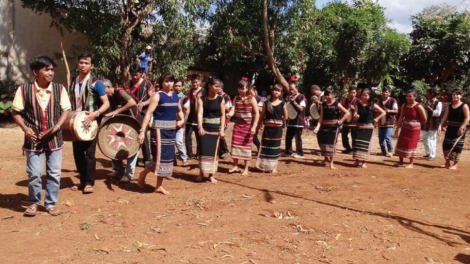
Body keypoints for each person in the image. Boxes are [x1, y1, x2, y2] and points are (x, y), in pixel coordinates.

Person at [11, 55, 71, 216]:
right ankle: (33, 202)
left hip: (54, 139)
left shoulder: (60, 89)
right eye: (47, 69)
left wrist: (57, 126)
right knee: (34, 173)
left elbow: (66, 110)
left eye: (52, 69)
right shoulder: (23, 90)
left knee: (54, 172)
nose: (51, 73)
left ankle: (50, 204)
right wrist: (25, 128)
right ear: (35, 72)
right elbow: (15, 112)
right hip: (33, 139)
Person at [69, 52, 110, 193]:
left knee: (89, 153)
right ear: (78, 64)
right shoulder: (73, 81)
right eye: (81, 62)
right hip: (76, 123)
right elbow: (70, 100)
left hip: (91, 123)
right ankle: (82, 180)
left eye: (86, 63)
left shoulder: (96, 83)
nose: (83, 65)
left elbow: (106, 104)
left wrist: (95, 114)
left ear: (92, 66)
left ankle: (89, 182)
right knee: (78, 153)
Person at [137, 72, 184, 194]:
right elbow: (148, 114)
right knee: (158, 158)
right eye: (166, 81)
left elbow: (179, 111)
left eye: (171, 81)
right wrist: (142, 132)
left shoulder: (175, 96)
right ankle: (143, 174)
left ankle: (158, 186)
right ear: (162, 83)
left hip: (171, 132)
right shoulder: (157, 96)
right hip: (158, 132)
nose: (169, 84)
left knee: (167, 159)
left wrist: (182, 120)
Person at [102, 79, 139, 182]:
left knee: (133, 148)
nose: (103, 94)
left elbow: (132, 103)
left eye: (103, 91)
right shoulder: (109, 97)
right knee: (113, 146)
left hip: (133, 122)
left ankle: (128, 174)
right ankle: (118, 170)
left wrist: (117, 111)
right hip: (121, 124)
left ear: (108, 87)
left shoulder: (120, 91)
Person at [122, 63, 154, 165]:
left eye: (137, 74)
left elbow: (153, 98)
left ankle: (147, 159)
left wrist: (143, 103)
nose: (135, 77)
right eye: (133, 74)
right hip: (130, 114)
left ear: (141, 73)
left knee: (142, 134)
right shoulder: (126, 85)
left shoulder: (146, 84)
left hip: (143, 114)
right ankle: (133, 159)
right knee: (130, 136)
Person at [227, 79, 260, 176]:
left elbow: (257, 113)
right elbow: (233, 109)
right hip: (237, 126)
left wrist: (254, 126)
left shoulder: (252, 98)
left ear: (247, 88)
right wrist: (230, 114)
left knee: (246, 147)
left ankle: (246, 169)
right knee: (235, 146)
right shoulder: (236, 98)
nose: (241, 90)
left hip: (248, 127)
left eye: (243, 88)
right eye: (239, 88)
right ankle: (235, 166)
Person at [196, 76, 225, 183]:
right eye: (215, 86)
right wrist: (200, 126)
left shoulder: (221, 99)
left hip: (215, 129)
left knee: (214, 152)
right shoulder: (202, 98)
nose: (218, 88)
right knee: (203, 150)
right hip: (205, 128)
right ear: (209, 86)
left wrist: (221, 129)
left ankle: (211, 175)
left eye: (219, 86)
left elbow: (222, 115)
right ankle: (201, 173)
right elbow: (200, 113)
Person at [314, 88, 350, 169]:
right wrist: (317, 127)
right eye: (326, 95)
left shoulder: (337, 104)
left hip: (334, 128)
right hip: (324, 127)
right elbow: (321, 117)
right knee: (324, 144)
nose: (327, 97)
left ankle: (331, 163)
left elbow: (347, 113)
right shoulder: (323, 104)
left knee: (332, 144)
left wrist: (341, 121)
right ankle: (325, 158)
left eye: (329, 95)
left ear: (333, 95)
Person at [256, 84, 287, 173]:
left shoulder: (283, 104)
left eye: (278, 90)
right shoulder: (266, 103)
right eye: (275, 90)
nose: (276, 92)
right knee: (266, 147)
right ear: (272, 91)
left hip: (277, 129)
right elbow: (262, 115)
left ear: (281, 93)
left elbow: (285, 116)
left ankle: (274, 168)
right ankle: (264, 166)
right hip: (268, 129)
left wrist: (279, 122)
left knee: (275, 148)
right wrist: (258, 125)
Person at [351, 89, 386, 168]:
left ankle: (364, 162)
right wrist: (355, 116)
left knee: (366, 145)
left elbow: (383, 112)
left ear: (370, 96)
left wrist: (376, 119)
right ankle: (357, 161)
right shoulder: (357, 104)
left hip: (368, 128)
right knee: (357, 144)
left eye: (366, 95)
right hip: (359, 127)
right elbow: (354, 114)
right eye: (363, 95)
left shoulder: (373, 105)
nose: (364, 97)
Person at [394, 89, 427, 168]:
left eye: (410, 96)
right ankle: (400, 161)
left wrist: (417, 125)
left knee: (411, 145)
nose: (408, 98)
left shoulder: (418, 106)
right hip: (405, 127)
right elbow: (401, 117)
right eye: (407, 96)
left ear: (415, 97)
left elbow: (424, 119)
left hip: (414, 130)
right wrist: (397, 127)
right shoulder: (404, 106)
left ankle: (411, 163)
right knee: (401, 143)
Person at [438, 89, 470, 169]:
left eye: (457, 94)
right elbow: (444, 118)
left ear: (460, 96)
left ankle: (455, 164)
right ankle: (447, 163)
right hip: (450, 129)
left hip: (459, 129)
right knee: (446, 144)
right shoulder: (449, 106)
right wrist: (439, 126)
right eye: (453, 94)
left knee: (457, 146)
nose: (455, 96)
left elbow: (467, 118)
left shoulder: (464, 106)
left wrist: (462, 127)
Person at [284, 81, 306, 159]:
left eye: (292, 89)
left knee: (298, 137)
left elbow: (301, 108)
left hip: (298, 120)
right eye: (290, 89)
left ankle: (300, 153)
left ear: (297, 88)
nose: (291, 91)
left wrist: (294, 102)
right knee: (288, 137)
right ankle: (288, 152)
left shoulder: (301, 97)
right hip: (291, 120)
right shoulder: (289, 97)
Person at [185, 74, 204, 159]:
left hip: (199, 119)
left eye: (196, 82)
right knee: (187, 136)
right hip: (189, 118)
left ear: (199, 81)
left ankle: (199, 154)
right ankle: (189, 154)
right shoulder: (188, 92)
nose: (194, 84)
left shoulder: (204, 92)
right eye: (193, 82)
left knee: (199, 137)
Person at [377, 86, 399, 157]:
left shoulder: (393, 100)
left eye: (386, 92)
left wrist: (389, 111)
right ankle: (383, 151)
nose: (384, 93)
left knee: (387, 136)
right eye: (383, 92)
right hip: (381, 121)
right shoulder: (379, 101)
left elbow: (396, 110)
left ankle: (390, 151)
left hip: (390, 120)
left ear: (389, 93)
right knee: (380, 138)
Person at [422, 88, 442, 161]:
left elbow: (438, 113)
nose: (426, 95)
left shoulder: (438, 103)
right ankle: (428, 153)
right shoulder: (428, 101)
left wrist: (430, 109)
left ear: (432, 94)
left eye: (428, 93)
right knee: (425, 138)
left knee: (432, 139)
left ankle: (432, 155)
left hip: (434, 123)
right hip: (428, 123)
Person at [174, 78, 189, 166]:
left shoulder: (185, 98)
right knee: (171, 143)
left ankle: (184, 159)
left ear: (182, 87)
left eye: (179, 86)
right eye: (176, 86)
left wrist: (182, 122)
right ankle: (173, 161)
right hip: (170, 123)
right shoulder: (170, 96)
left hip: (180, 123)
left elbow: (187, 111)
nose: (177, 87)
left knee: (178, 142)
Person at [341, 86, 358, 154]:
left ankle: (354, 149)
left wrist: (354, 108)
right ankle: (347, 148)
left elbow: (360, 111)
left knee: (354, 136)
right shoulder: (345, 101)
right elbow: (341, 109)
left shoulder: (358, 101)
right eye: (351, 92)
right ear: (348, 93)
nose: (352, 94)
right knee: (344, 135)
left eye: (354, 92)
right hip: (346, 121)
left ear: (356, 93)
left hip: (354, 121)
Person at [218, 82, 232, 159]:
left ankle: (225, 150)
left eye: (218, 87)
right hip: (217, 118)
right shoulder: (216, 96)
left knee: (221, 134)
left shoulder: (226, 97)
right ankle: (220, 152)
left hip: (223, 119)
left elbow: (228, 108)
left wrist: (220, 107)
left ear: (222, 88)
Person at [250, 84, 264, 151]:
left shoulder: (258, 98)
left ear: (254, 90)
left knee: (254, 136)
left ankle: (260, 148)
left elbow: (261, 109)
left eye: (251, 90)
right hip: (248, 119)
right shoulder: (247, 97)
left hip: (256, 119)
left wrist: (253, 107)